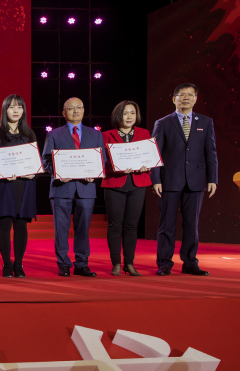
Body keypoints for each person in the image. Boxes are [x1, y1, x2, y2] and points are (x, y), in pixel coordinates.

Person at [151, 83, 218, 276]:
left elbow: (211, 152)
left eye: (190, 95)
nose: (186, 98)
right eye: (182, 95)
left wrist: (213, 178)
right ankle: (164, 263)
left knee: (191, 225)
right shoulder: (163, 123)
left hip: (196, 180)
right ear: (174, 99)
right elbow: (156, 153)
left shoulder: (205, 122)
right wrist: (156, 179)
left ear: (195, 99)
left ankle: (190, 263)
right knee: (167, 224)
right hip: (169, 180)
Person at [42, 97, 106, 277]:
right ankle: (63, 264)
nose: (75, 111)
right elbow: (46, 160)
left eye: (79, 107)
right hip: (61, 187)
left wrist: (95, 173)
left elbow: (102, 159)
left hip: (86, 188)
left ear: (84, 110)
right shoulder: (54, 134)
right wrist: (58, 173)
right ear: (64, 113)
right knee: (61, 228)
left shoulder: (95, 135)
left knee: (83, 228)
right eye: (71, 108)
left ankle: (82, 263)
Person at [0, 95, 37, 278]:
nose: (16, 111)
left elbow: (34, 159)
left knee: (21, 225)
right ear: (5, 110)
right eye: (12, 107)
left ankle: (19, 264)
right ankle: (7, 264)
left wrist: (34, 171)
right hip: (5, 185)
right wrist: (2, 172)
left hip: (25, 185)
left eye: (20, 107)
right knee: (5, 224)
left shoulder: (29, 134)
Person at [102, 100, 151, 277]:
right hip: (114, 183)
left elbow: (150, 156)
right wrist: (116, 167)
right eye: (125, 113)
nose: (129, 117)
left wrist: (147, 165)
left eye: (132, 113)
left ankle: (129, 263)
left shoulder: (144, 133)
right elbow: (101, 161)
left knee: (131, 226)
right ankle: (116, 263)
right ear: (118, 116)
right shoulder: (106, 135)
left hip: (138, 183)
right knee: (115, 225)